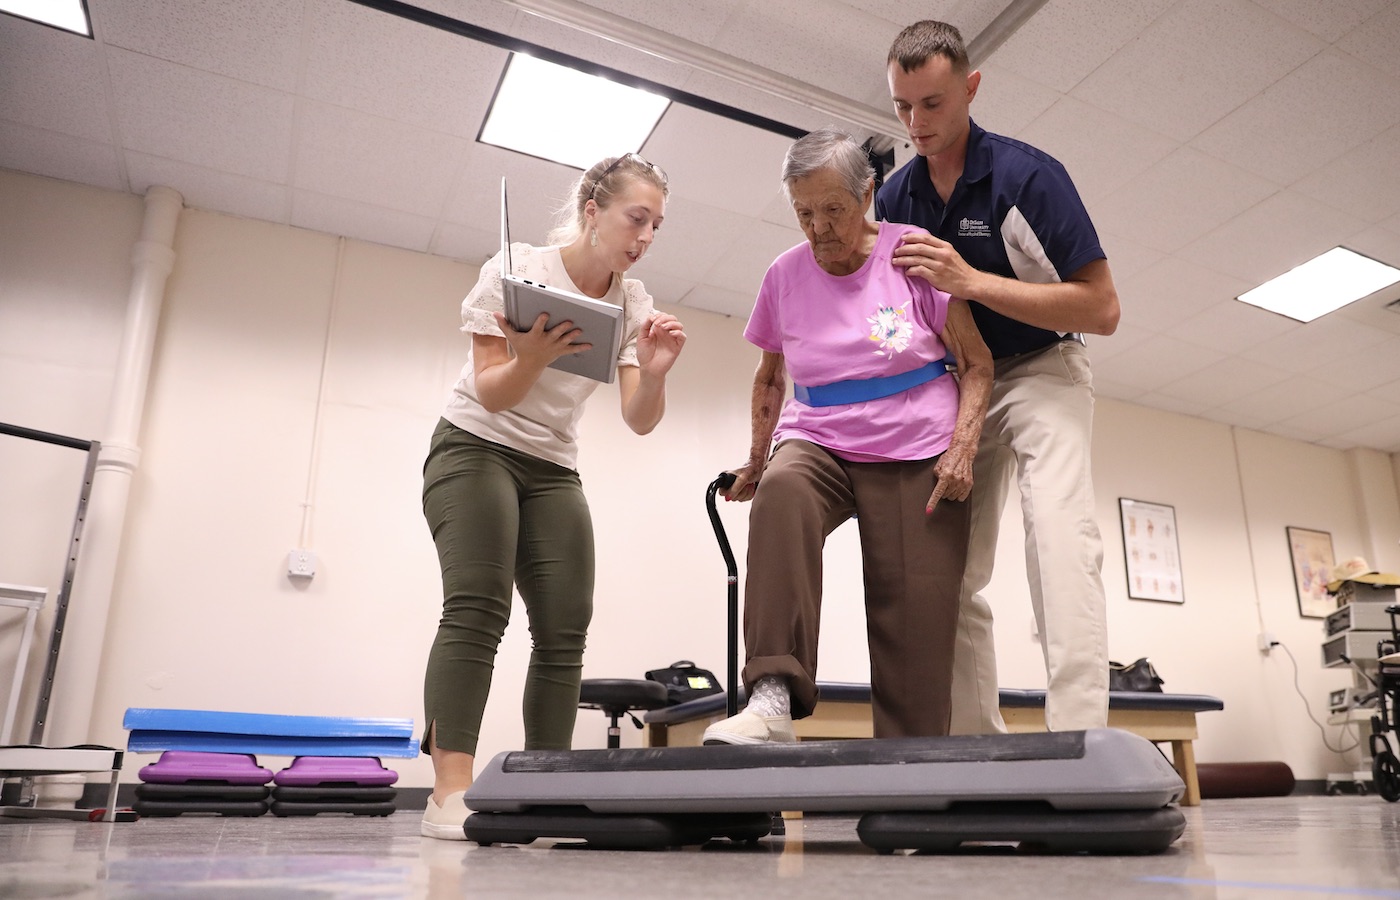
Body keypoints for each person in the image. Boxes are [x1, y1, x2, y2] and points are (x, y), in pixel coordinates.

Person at [418, 154, 686, 839]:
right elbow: (492, 389)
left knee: (566, 622)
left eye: (656, 224)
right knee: (479, 606)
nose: (645, 235)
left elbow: (638, 416)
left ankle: (546, 783)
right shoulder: (519, 268)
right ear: (593, 210)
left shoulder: (631, 301)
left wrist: (653, 373)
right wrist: (533, 355)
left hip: (552, 465)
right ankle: (448, 790)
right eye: (636, 218)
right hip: (475, 442)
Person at [701, 128, 994, 745]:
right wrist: (757, 461)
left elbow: (975, 363)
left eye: (833, 209)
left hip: (919, 445)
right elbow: (770, 378)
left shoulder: (914, 254)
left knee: (914, 605)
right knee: (782, 493)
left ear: (868, 193)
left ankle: (911, 767)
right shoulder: (784, 275)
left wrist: (963, 447)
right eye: (804, 212)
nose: (818, 228)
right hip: (819, 440)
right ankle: (772, 696)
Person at [876, 20, 1122, 735]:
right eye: (902, 106)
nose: (917, 124)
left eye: (932, 103)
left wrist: (972, 281)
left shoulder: (1026, 176)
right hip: (961, 386)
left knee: (1058, 537)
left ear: (970, 88)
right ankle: (976, 748)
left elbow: (1102, 309)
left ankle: (1079, 736)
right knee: (947, 574)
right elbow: (907, 312)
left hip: (1045, 366)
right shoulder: (896, 200)